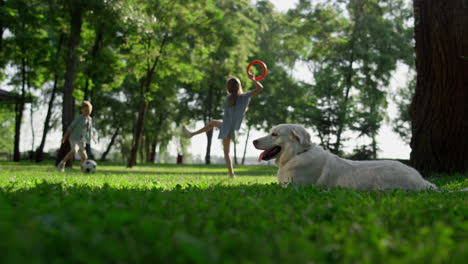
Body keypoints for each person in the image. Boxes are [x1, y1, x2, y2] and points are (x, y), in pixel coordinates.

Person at [183, 74, 264, 177]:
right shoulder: (244, 97)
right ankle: (191, 134)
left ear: (228, 88)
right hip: (232, 127)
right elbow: (260, 88)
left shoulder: (229, 98)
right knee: (213, 125)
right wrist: (253, 79)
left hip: (227, 126)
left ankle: (231, 174)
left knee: (226, 151)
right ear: (239, 86)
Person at [57, 101, 96, 172]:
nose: (87, 111)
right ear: (82, 110)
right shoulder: (79, 118)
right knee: (74, 150)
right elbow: (70, 127)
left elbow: (90, 129)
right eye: (85, 110)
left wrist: (93, 137)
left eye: (89, 110)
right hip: (74, 138)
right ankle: (62, 163)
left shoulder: (90, 119)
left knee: (84, 157)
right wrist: (64, 137)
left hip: (82, 140)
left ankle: (82, 169)